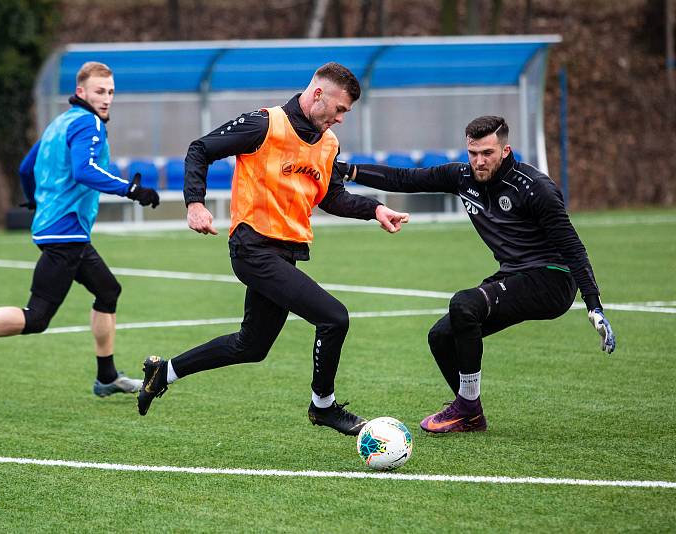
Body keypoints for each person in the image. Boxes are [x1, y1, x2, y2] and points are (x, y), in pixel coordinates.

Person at [135, 62, 410, 436]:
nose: (342, 119)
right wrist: (194, 203)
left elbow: (332, 197)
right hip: (252, 248)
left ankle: (163, 372)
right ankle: (323, 407)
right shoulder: (264, 124)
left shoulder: (328, 144)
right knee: (334, 317)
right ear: (317, 95)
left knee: (252, 346)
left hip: (286, 253)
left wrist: (375, 209)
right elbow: (199, 149)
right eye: (340, 109)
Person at [340, 115, 616, 433]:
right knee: (442, 337)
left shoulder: (535, 188)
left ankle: (467, 407)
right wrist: (349, 171)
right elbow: (406, 178)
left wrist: (594, 305)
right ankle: (470, 414)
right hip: (514, 275)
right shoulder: (462, 177)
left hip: (552, 279)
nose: (479, 161)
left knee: (464, 304)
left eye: (487, 153)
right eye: (473, 153)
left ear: (505, 151)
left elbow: (573, 249)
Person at [0, 61, 161, 398]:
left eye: (110, 92)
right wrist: (132, 190)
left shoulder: (60, 122)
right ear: (81, 92)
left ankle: (106, 377)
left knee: (108, 291)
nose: (106, 98)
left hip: (60, 227)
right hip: (66, 232)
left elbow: (26, 167)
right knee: (37, 317)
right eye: (99, 91)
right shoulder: (88, 123)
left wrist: (36, 200)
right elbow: (85, 170)